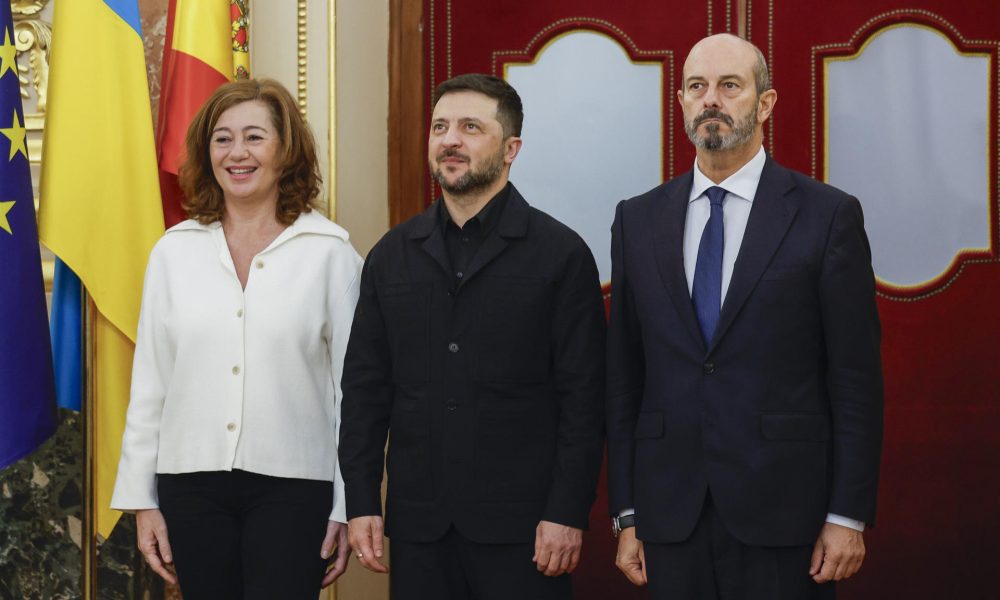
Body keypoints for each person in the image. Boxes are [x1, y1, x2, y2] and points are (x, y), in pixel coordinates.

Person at [606, 34, 883, 599]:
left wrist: (847, 515)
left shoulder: (827, 216)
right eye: (696, 87)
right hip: (670, 513)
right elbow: (625, 376)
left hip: (786, 516)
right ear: (681, 102)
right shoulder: (637, 220)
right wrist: (627, 511)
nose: (712, 99)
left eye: (730, 86)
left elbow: (855, 380)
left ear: (765, 103)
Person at [338, 73, 606, 600]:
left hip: (526, 530)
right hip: (419, 527)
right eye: (439, 127)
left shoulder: (560, 255)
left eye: (469, 127)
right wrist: (363, 500)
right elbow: (366, 392)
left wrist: (566, 512)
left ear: (511, 150)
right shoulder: (391, 256)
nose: (449, 140)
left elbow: (584, 401)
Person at [110, 79, 362, 599]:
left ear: (285, 151)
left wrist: (348, 504)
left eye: (254, 137)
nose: (237, 153)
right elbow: (150, 383)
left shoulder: (331, 254)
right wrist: (142, 501)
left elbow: (353, 395)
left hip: (296, 488)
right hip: (189, 485)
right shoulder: (172, 253)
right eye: (222, 139)